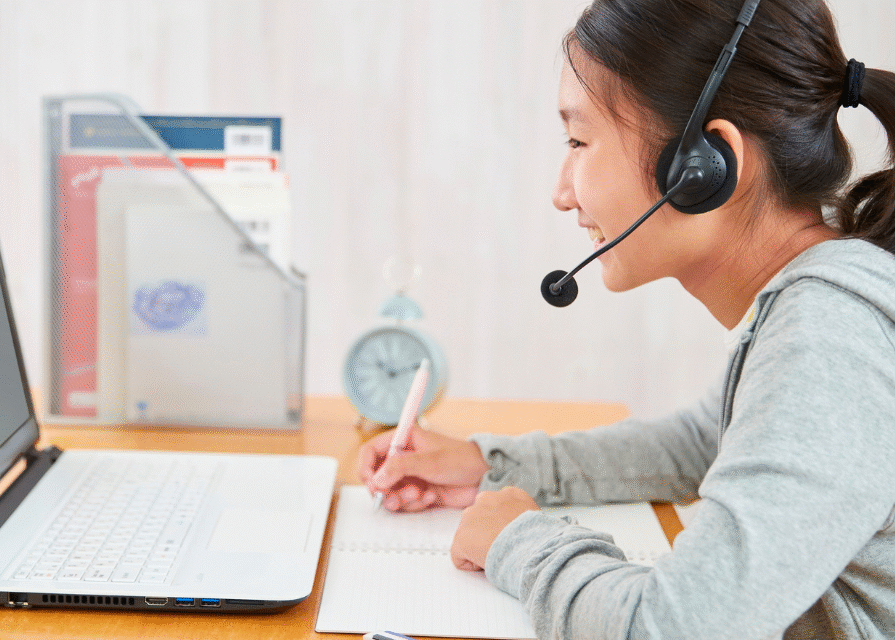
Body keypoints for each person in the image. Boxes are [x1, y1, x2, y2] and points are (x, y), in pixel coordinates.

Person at [357, 0, 895, 637]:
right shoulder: (809, 308)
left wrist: (517, 541)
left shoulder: (829, 336)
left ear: (703, 165)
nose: (562, 192)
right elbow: (704, 442)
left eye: (580, 142)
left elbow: (673, 627)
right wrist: (487, 464)